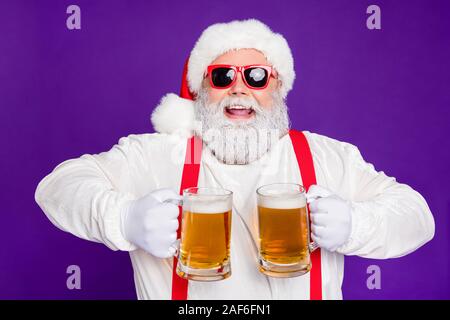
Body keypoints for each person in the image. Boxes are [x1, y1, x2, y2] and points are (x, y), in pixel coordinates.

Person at [35, 19, 435, 300]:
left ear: (278, 86)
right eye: (222, 77)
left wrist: (356, 224)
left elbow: (418, 217)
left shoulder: (328, 157)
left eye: (257, 76)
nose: (239, 89)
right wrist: (122, 218)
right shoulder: (156, 155)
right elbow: (56, 187)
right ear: (200, 89)